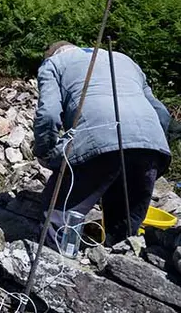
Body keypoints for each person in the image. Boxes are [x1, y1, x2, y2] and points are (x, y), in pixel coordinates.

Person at [34, 41, 172, 247]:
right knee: (123, 226)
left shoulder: (54, 63)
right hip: (151, 145)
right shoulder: (125, 60)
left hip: (97, 139)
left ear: (52, 54)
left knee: (58, 217)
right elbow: (162, 115)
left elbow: (49, 114)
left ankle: (53, 268)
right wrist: (151, 146)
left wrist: (46, 152)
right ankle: (118, 269)